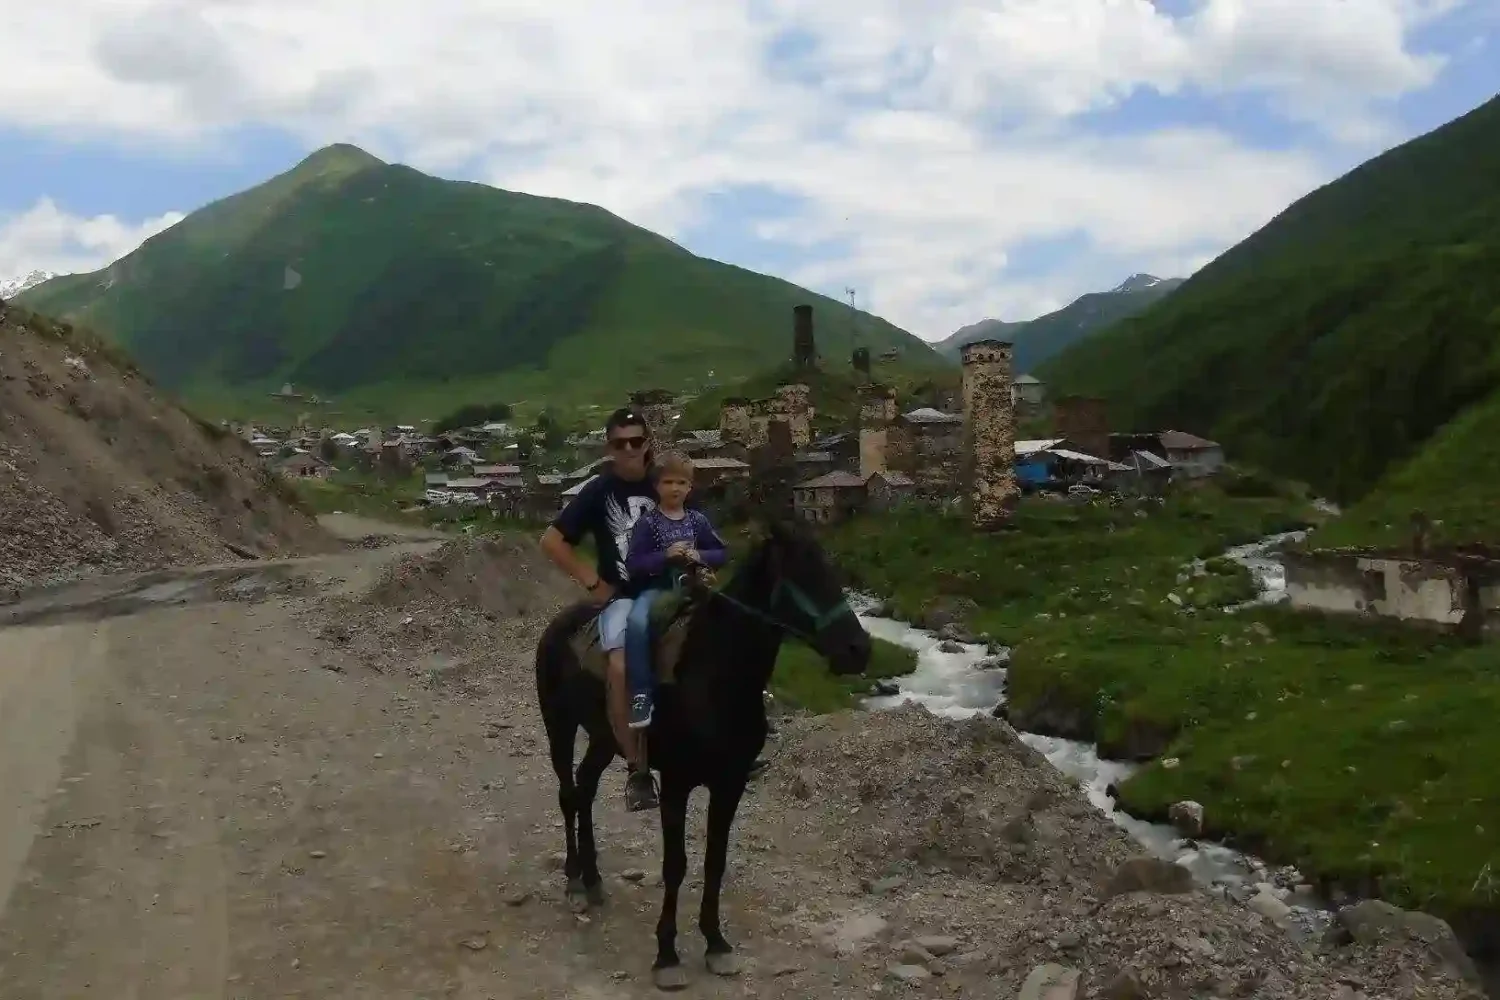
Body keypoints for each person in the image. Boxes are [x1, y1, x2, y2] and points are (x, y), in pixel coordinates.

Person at [538, 407, 662, 812]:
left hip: (670, 591)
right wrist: (593, 582)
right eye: (619, 442)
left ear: (648, 443)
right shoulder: (597, 491)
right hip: (622, 597)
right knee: (620, 666)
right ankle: (637, 771)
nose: (629, 449)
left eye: (636, 441)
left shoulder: (667, 483)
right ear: (609, 447)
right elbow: (552, 541)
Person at [622, 451, 728, 731]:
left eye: (681, 483)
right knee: (635, 621)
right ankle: (641, 693)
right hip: (657, 589)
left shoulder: (697, 521)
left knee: (735, 621)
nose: (675, 488)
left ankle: (751, 693)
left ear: (690, 487)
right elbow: (633, 563)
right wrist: (664, 555)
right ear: (657, 486)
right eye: (668, 482)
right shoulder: (648, 523)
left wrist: (699, 555)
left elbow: (722, 553)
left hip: (695, 587)